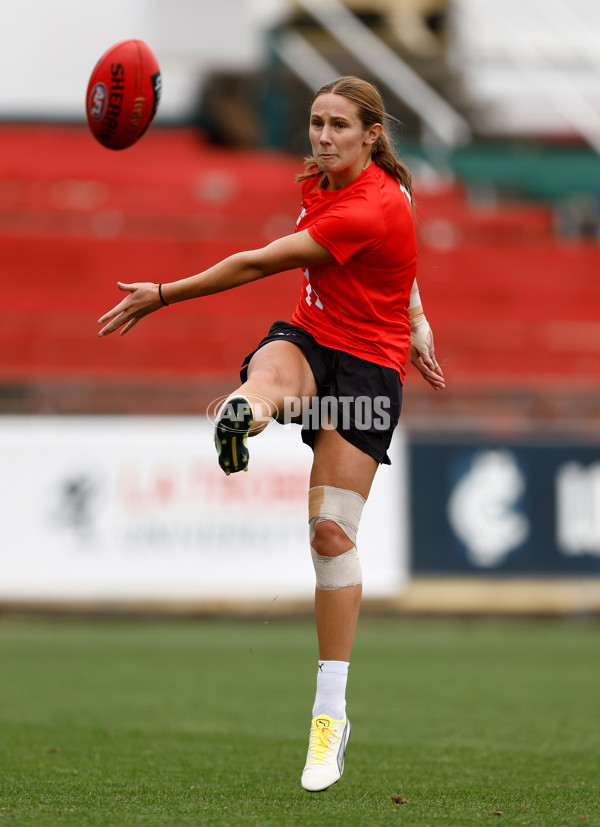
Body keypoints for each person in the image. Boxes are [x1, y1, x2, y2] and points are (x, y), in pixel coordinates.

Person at [98, 75, 445, 792]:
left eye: (338, 127)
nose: (322, 137)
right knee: (267, 381)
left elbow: (256, 263)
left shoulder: (369, 206)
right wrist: (418, 318)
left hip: (365, 378)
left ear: (371, 135)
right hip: (309, 338)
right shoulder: (339, 181)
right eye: (316, 123)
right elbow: (405, 254)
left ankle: (330, 713)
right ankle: (242, 414)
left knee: (329, 535)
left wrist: (162, 294)